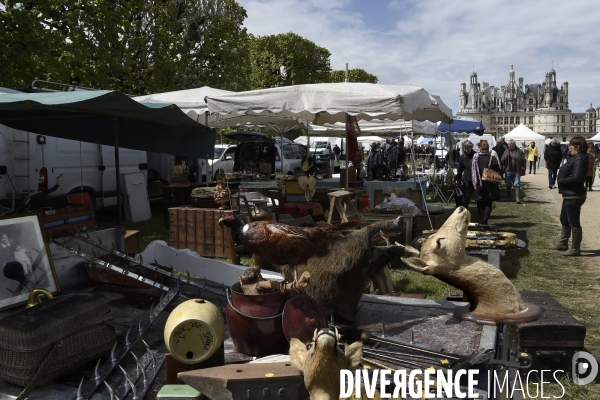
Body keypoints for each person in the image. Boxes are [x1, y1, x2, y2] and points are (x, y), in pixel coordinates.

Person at [549, 136, 589, 256]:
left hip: (575, 195)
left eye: (571, 145)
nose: (569, 147)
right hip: (569, 194)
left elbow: (576, 178)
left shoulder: (580, 159)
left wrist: (561, 181)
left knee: (573, 222)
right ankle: (563, 243)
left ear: (578, 147)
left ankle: (575, 249)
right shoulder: (576, 157)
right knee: (564, 219)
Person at [471, 140, 501, 225]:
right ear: (487, 148)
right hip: (490, 183)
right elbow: (498, 170)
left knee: (481, 202)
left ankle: (483, 220)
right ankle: (485, 221)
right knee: (488, 203)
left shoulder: (476, 158)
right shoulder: (492, 158)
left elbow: (472, 171)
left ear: (480, 147)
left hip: (478, 183)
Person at [455, 140, 475, 209]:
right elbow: (460, 169)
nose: (466, 150)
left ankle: (480, 212)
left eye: (468, 148)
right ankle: (464, 210)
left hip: (475, 178)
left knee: (479, 197)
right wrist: (458, 178)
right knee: (466, 197)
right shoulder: (462, 157)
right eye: (465, 148)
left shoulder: (475, 156)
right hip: (467, 179)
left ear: (471, 148)